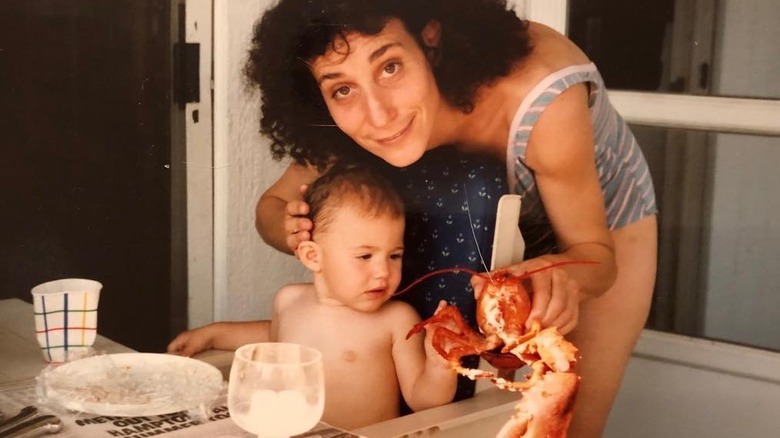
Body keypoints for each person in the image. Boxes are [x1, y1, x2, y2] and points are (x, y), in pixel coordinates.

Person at [249, 1, 658, 437]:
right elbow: (272, 209)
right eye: (342, 89)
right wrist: (295, 230)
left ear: (432, 39)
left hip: (602, 222)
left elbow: (596, 256)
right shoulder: (353, 123)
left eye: (390, 67)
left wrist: (561, 277)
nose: (378, 114)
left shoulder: (542, 97)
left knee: (569, 425)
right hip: (488, 220)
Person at [168, 166, 458, 429]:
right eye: (364, 256)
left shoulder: (397, 319)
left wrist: (440, 365)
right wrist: (212, 334)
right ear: (312, 256)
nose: (383, 271)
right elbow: (271, 340)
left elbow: (423, 401)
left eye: (394, 255)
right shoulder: (289, 300)